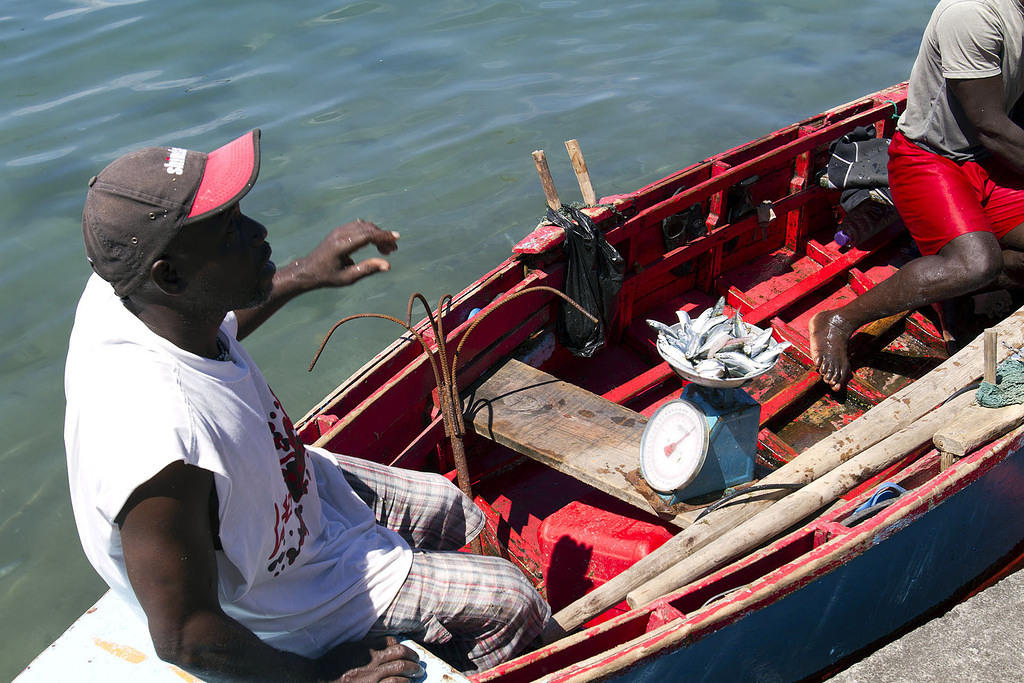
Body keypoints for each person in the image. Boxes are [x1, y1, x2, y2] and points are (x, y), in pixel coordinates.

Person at [64, 129, 550, 681]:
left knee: (450, 507)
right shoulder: (158, 447)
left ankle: (447, 624)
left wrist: (302, 274)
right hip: (284, 609)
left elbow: (208, 314)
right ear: (169, 274)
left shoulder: (124, 291)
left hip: (288, 500)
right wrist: (323, 677)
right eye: (229, 231)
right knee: (513, 602)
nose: (258, 232)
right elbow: (185, 636)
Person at [810, 0, 1024, 390]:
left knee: (983, 266)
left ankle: (954, 288)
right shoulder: (974, 13)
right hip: (930, 160)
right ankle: (839, 320)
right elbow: (991, 126)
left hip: (988, 161)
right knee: (976, 263)